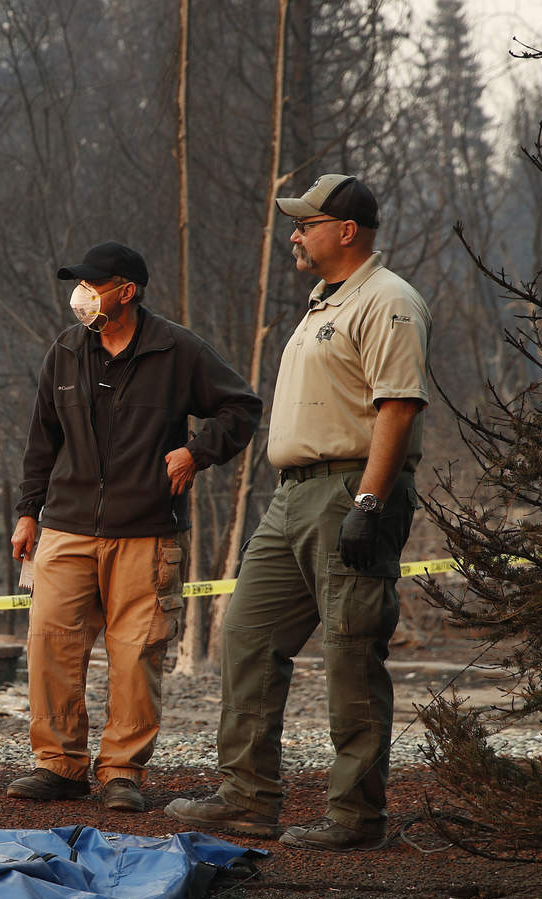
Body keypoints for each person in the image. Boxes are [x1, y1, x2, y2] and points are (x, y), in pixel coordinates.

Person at [165, 174, 431, 851]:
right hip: (293, 496)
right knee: (247, 635)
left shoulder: (389, 301)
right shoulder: (326, 303)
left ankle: (354, 816)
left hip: (350, 488)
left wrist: (369, 502)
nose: (294, 233)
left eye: (306, 223)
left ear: (346, 231)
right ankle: (247, 798)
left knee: (350, 650)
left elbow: (397, 408)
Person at [7, 241, 261, 813]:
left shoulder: (178, 349)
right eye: (81, 284)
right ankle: (59, 765)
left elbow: (241, 407)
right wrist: (28, 511)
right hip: (66, 525)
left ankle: (122, 771)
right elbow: (41, 438)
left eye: (94, 284)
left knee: (136, 653)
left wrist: (198, 452)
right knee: (49, 643)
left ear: (128, 291)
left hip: (147, 529)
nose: (83, 295)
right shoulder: (67, 350)